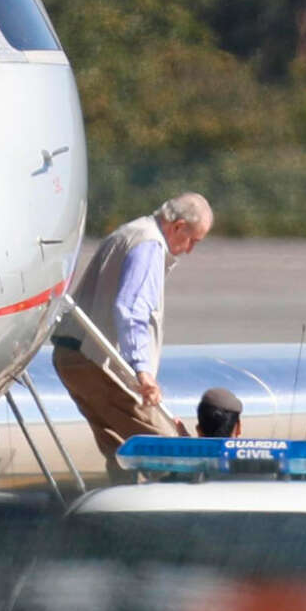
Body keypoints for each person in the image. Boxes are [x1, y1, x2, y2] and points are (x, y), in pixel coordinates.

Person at [51, 192, 213, 482]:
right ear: (176, 227)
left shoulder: (129, 233)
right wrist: (143, 371)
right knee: (171, 450)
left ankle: (120, 515)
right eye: (193, 240)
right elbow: (131, 309)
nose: (189, 250)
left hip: (72, 356)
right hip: (97, 360)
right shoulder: (149, 244)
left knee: (123, 452)